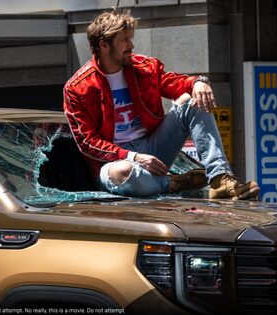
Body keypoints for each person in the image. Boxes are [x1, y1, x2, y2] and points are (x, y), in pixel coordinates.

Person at [63, 9, 259, 200]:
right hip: (116, 162)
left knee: (192, 101)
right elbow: (87, 142)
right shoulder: (77, 88)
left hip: (154, 149)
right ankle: (173, 183)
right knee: (122, 173)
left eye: (131, 38)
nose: (131, 45)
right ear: (104, 45)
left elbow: (174, 84)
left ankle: (219, 179)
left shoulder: (144, 66)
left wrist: (197, 82)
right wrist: (133, 157)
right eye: (124, 40)